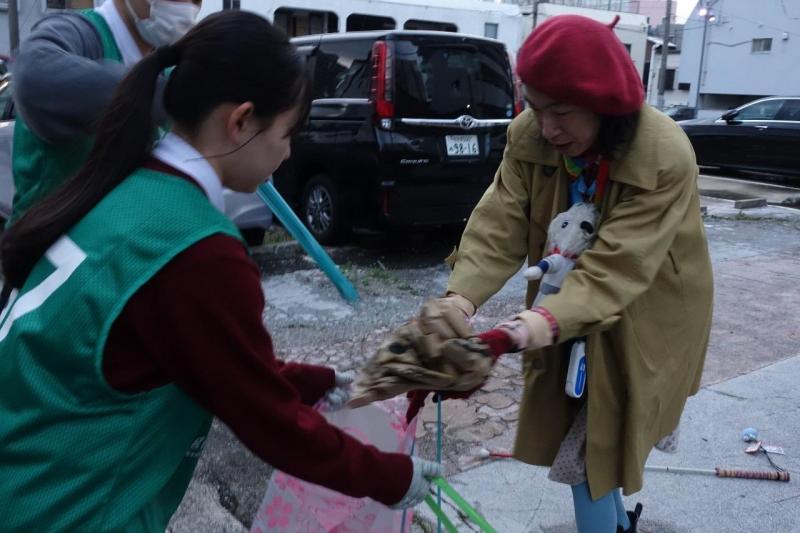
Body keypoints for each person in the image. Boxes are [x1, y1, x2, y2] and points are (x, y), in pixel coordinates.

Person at [0, 11, 440, 531]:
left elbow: (196, 352)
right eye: (286, 133)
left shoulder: (130, 189)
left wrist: (312, 381)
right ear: (241, 121)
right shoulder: (197, 248)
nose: (288, 152)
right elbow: (265, 420)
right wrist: (389, 476)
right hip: (71, 507)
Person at [408, 14, 713, 533]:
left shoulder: (663, 155)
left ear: (605, 106)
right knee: (592, 441)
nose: (547, 127)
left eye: (563, 112)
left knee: (592, 449)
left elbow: (615, 271)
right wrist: (461, 298)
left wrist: (525, 328)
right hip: (562, 302)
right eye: (535, 106)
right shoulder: (533, 137)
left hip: (648, 307)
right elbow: (501, 218)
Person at [9, 0, 201, 225]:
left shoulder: (169, 66)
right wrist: (167, 98)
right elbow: (34, 76)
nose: (188, 5)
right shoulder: (79, 34)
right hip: (52, 247)